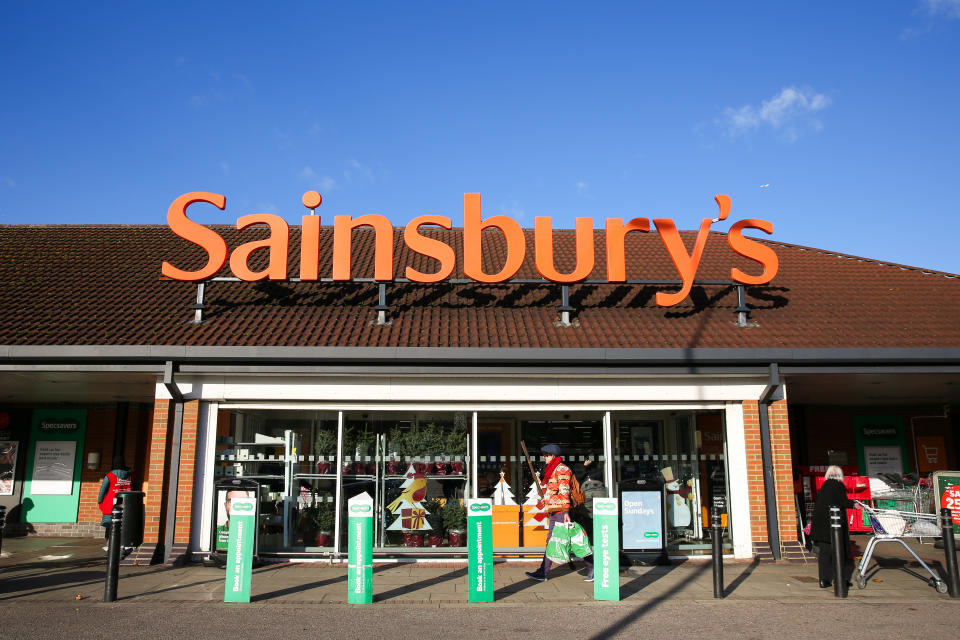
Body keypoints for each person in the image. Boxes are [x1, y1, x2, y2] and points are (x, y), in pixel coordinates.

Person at [525, 444, 576, 582]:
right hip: (555, 511)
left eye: (546, 455)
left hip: (561, 512)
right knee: (556, 541)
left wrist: (565, 511)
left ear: (553, 456)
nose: (544, 457)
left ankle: (593, 567)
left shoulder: (562, 469)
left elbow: (565, 491)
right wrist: (545, 502)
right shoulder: (552, 470)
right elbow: (553, 492)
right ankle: (543, 572)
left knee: (573, 542)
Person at [811, 465, 856, 588]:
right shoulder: (838, 485)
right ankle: (840, 580)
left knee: (824, 555)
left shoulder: (823, 487)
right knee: (840, 553)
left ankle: (823, 580)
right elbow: (842, 501)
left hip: (821, 527)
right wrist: (854, 504)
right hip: (834, 526)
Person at [571, 458, 606, 581]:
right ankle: (600, 566)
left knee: (585, 538)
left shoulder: (583, 472)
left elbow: (577, 476)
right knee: (599, 536)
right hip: (600, 508)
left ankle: (593, 568)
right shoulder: (601, 469)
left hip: (587, 509)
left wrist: (583, 466)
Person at [97, 455, 134, 552]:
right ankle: (125, 545)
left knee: (111, 526)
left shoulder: (109, 475)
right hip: (127, 504)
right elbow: (135, 488)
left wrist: (100, 501)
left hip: (111, 505)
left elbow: (103, 490)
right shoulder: (130, 475)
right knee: (124, 526)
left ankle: (110, 546)